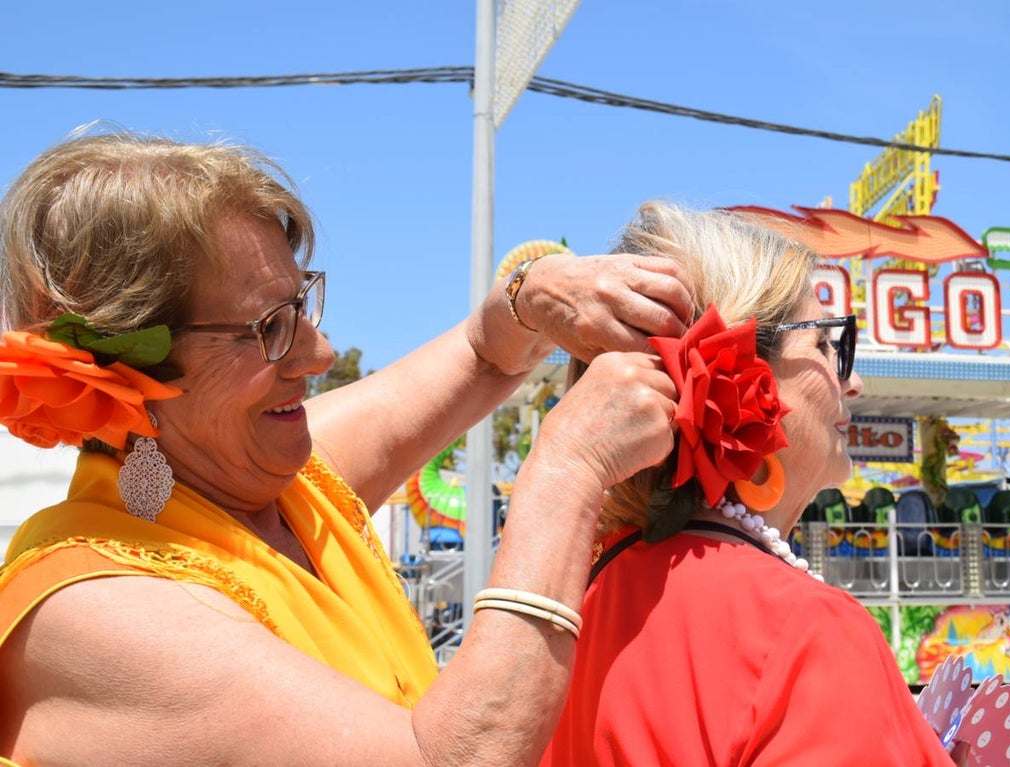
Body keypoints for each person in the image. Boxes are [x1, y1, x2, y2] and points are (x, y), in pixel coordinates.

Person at [0, 130, 693, 766]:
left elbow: (483, 354)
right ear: (136, 370)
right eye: (270, 327)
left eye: (301, 304)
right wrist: (568, 470)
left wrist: (536, 292)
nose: (319, 352)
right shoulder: (91, 608)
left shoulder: (282, 480)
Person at [540, 201, 960, 766]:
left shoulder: (578, 594)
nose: (854, 382)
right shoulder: (810, 631)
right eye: (829, 346)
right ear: (743, 375)